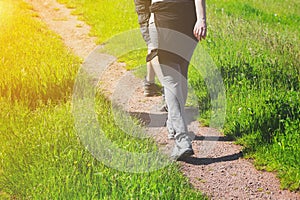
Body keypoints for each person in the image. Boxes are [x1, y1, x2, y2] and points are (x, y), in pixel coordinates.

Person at [150, 0, 207, 160]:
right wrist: (201, 19)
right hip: (189, 17)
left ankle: (182, 140)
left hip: (164, 16)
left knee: (170, 79)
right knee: (181, 75)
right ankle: (173, 127)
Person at [134, 0, 164, 97]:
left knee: (152, 45)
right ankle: (167, 90)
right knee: (154, 48)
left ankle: (150, 84)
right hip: (151, 9)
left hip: (146, 8)